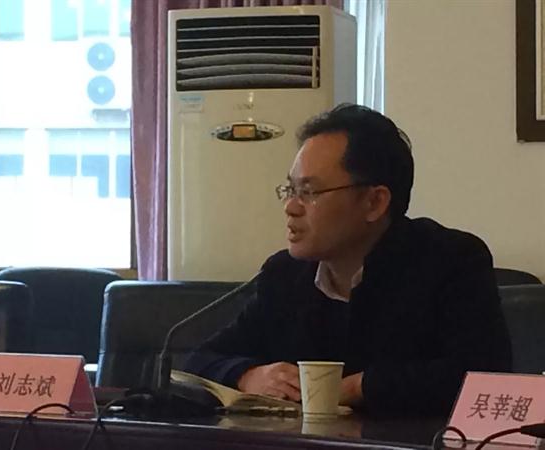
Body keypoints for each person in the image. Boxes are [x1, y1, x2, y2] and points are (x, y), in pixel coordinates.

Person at [184, 104, 511, 415]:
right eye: (290, 190)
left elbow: (482, 377)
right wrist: (248, 375)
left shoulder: (450, 261)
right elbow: (200, 360)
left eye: (309, 192)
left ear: (374, 202)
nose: (291, 207)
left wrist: (354, 388)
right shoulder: (284, 274)